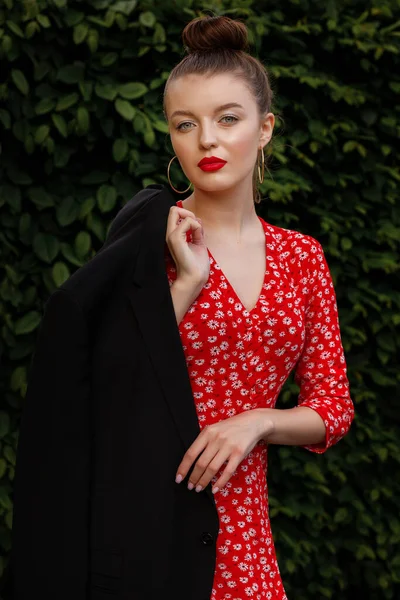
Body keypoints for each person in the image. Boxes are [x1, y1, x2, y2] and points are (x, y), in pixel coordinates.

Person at [6, 14, 354, 600]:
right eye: (185, 124)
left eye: (228, 119)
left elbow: (333, 406)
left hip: (247, 552)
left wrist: (259, 422)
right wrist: (186, 284)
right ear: (170, 136)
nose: (207, 141)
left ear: (265, 128)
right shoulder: (148, 240)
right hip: (143, 541)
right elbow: (96, 392)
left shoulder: (302, 257)